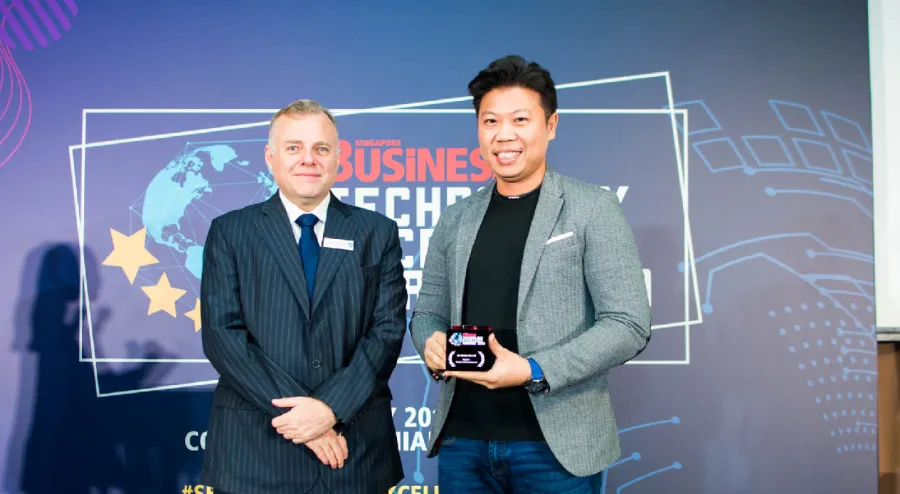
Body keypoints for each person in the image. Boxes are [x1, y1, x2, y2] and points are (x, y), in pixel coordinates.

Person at [409, 55, 652, 493]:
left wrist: (532, 369)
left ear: (551, 125)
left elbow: (627, 324)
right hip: (464, 443)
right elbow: (428, 313)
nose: (504, 135)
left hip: (555, 448)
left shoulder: (592, 208)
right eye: (490, 121)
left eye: (520, 119)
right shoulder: (456, 219)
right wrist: (430, 341)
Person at [200, 99, 407, 494]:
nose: (308, 159)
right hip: (255, 454)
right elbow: (222, 336)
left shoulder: (377, 232)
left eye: (321, 148)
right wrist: (303, 419)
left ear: (338, 156)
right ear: (270, 157)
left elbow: (387, 331)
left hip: (354, 454)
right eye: (293, 147)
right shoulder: (230, 232)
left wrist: (330, 408)